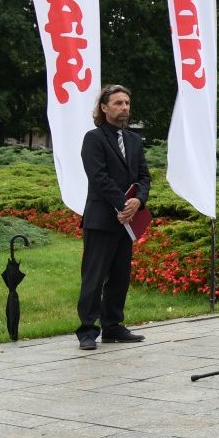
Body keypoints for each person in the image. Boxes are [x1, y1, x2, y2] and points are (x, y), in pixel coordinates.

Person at [76, 84, 151, 350]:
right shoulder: (93, 138)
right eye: (118, 103)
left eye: (127, 103)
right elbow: (98, 178)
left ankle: (113, 326)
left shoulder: (134, 140)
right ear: (104, 108)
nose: (124, 108)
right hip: (102, 219)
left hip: (126, 222)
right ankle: (87, 330)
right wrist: (123, 204)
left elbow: (144, 177)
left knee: (120, 276)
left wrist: (138, 201)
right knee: (94, 277)